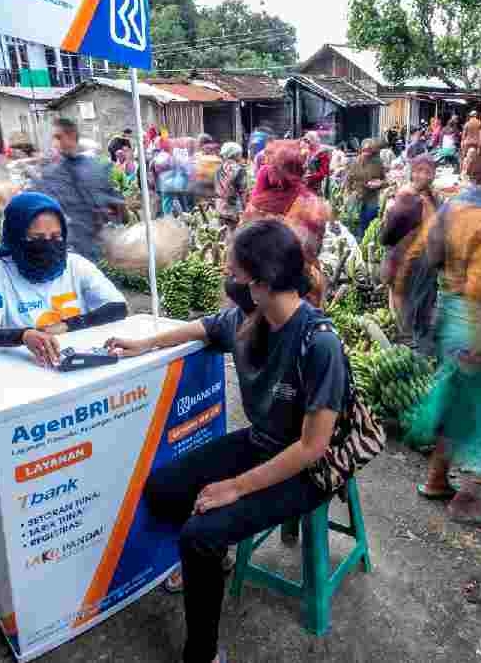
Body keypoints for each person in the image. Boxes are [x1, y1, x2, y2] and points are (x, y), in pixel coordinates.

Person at [105, 218, 347, 663]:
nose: (226, 281)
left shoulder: (319, 343)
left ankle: (203, 653)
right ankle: (216, 561)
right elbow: (202, 327)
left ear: (262, 281)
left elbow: (313, 447)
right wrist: (145, 345)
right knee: (163, 488)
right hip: (262, 442)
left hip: (306, 469)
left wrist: (234, 487)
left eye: (233, 273)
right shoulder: (248, 318)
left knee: (199, 535)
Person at [409, 134, 481, 529]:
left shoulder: (458, 204)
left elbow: (432, 253)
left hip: (453, 311)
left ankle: (436, 479)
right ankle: (470, 497)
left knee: (456, 402)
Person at [0, 192, 127, 364]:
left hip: (78, 363)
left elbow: (118, 307)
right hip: (24, 372)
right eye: (36, 238)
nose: (48, 245)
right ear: (15, 238)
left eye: (55, 237)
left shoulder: (76, 265)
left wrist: (69, 325)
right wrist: (23, 336)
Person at [242, 141, 331, 307]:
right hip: (301, 292)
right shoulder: (313, 205)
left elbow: (241, 251)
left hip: (259, 291)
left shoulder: (256, 206)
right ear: (301, 167)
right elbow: (312, 250)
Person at [32, 118, 125, 260]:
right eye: (54, 138)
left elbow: (115, 206)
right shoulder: (51, 173)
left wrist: (112, 212)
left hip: (91, 247)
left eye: (58, 137)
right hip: (63, 248)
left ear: (71, 136)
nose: (55, 143)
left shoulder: (95, 168)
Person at [380, 153, 439, 348]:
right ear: (412, 172)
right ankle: (412, 339)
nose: (424, 176)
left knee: (409, 299)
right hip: (412, 258)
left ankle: (411, 338)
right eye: (419, 171)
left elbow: (390, 232)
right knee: (408, 299)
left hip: (418, 260)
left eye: (428, 172)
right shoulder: (413, 196)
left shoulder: (423, 195)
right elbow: (391, 232)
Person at [344, 139, 386, 239]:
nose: (367, 153)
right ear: (361, 150)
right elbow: (348, 180)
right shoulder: (354, 162)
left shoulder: (378, 163)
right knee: (355, 221)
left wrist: (380, 183)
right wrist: (348, 193)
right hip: (357, 196)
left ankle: (365, 241)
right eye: (365, 150)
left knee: (369, 219)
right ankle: (357, 239)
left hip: (372, 196)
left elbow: (384, 180)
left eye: (369, 151)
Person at [215, 141, 249, 234]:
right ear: (235, 154)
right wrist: (246, 209)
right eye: (240, 154)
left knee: (222, 234)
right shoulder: (239, 170)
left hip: (220, 206)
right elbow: (243, 191)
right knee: (234, 235)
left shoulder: (219, 168)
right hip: (233, 208)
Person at [301, 131, 331, 196]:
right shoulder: (307, 153)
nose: (306, 144)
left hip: (318, 187)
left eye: (308, 141)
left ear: (314, 141)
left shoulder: (322, 154)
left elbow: (324, 173)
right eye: (305, 141)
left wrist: (309, 178)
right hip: (306, 186)